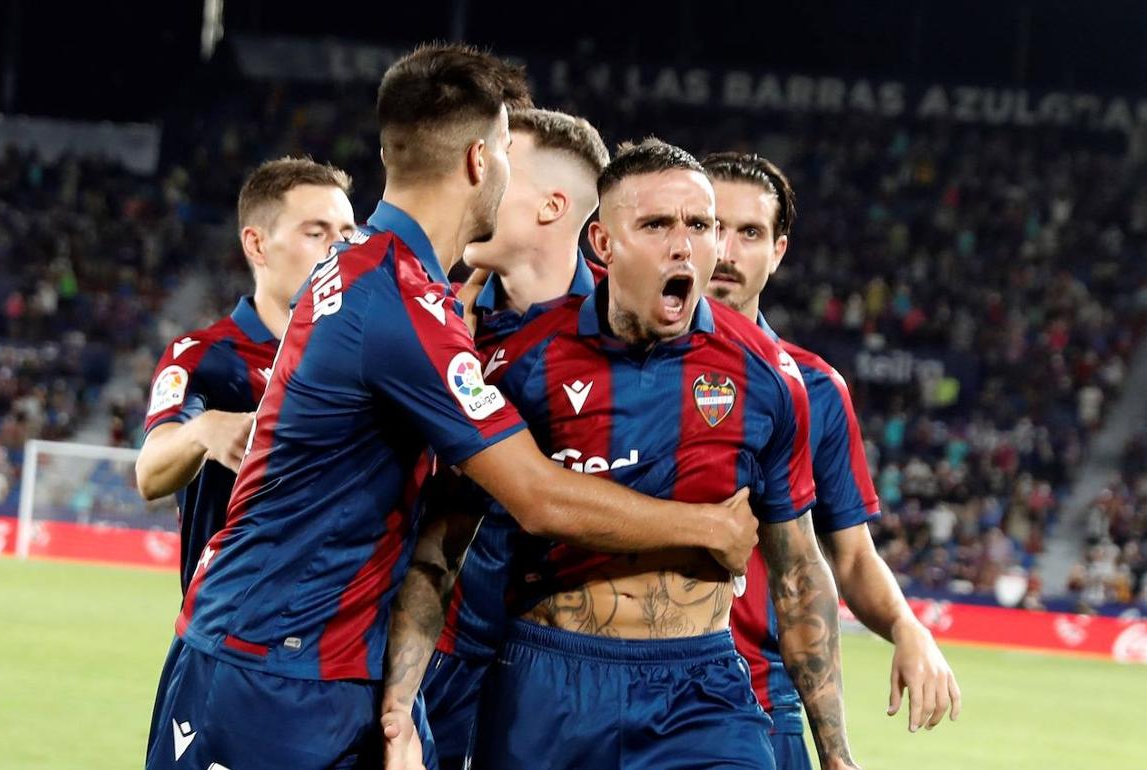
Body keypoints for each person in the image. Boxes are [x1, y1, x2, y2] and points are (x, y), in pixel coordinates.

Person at [144, 44, 756, 770]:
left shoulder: (374, 271)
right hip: (270, 668)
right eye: (504, 148)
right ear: (478, 160)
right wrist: (707, 526)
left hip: (309, 656)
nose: (505, 167)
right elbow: (533, 495)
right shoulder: (399, 305)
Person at [395, 138, 840, 770]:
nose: (683, 245)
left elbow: (798, 569)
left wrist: (839, 753)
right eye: (656, 224)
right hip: (547, 685)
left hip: (700, 687)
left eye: (700, 226)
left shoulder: (769, 376)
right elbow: (440, 549)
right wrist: (398, 708)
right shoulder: (521, 362)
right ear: (603, 244)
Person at [703, 152, 962, 764]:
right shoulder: (619, 363)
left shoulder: (815, 389)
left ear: (779, 250)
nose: (726, 253)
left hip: (760, 705)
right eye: (712, 226)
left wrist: (906, 626)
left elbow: (849, 556)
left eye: (750, 233)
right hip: (622, 690)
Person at [420, 107, 610, 770]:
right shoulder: (430, 320)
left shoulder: (628, 341)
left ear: (553, 207)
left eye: (496, 166)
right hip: (438, 658)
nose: (472, 181)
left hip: (568, 679)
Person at [135, 156, 355, 594]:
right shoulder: (206, 357)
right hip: (230, 636)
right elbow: (150, 473)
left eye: (347, 235)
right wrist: (202, 431)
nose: (339, 249)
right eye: (316, 233)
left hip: (338, 641)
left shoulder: (365, 358)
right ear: (256, 245)